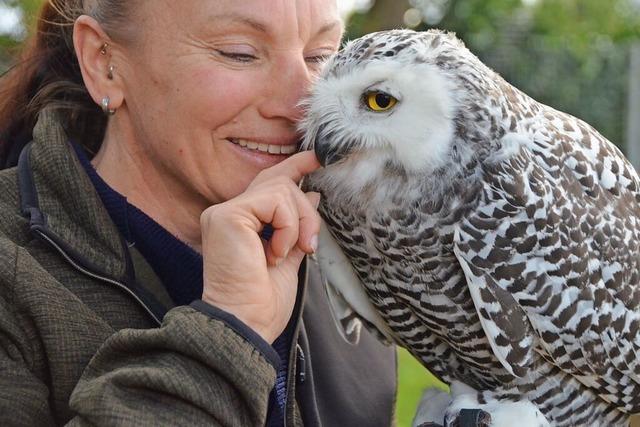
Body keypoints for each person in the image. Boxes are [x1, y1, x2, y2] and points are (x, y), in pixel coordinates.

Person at [0, 0, 397, 425]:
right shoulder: (15, 276)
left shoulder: (356, 252)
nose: (302, 104)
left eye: (320, 57)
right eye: (239, 53)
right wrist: (228, 332)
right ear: (103, 61)